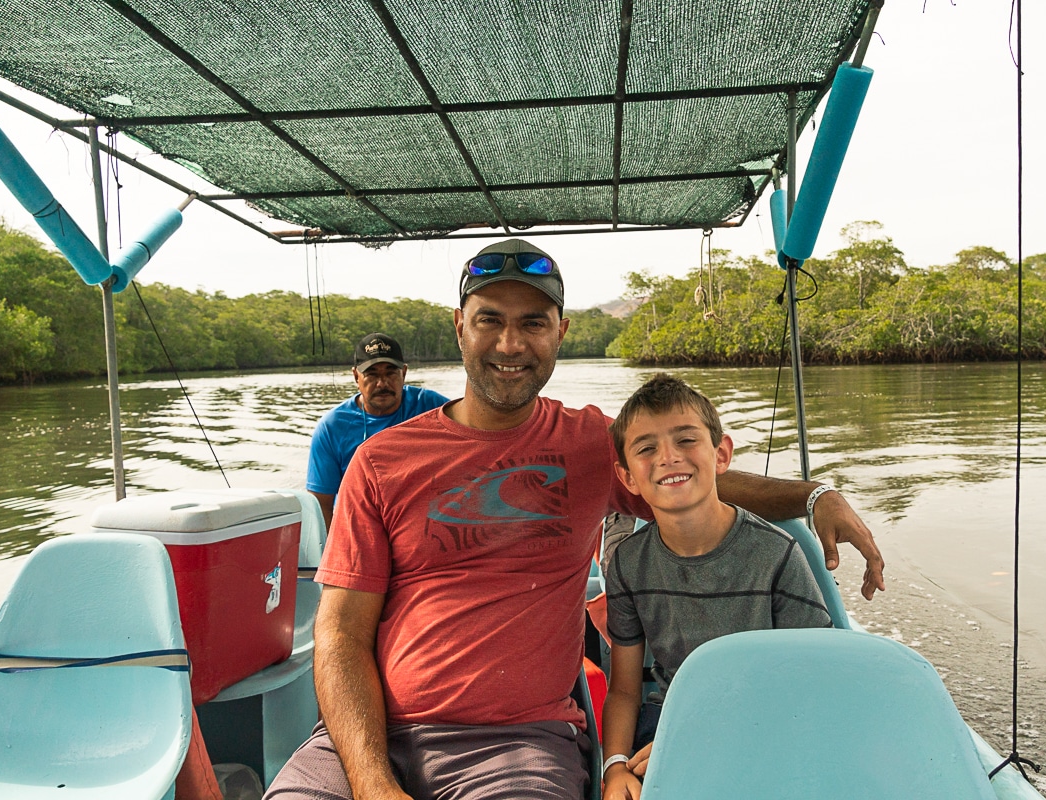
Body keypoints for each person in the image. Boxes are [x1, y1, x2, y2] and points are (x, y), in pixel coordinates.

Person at [267, 238, 885, 800]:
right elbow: (342, 635)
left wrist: (814, 496)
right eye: (490, 321)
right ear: (459, 328)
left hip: (517, 746)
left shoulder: (590, 443)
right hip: (367, 741)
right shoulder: (380, 459)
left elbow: (692, 478)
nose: (511, 344)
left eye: (533, 323)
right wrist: (372, 781)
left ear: (560, 333)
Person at [599, 375, 833, 800]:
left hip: (767, 723)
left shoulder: (776, 555)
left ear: (721, 453)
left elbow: (811, 684)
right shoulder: (628, 564)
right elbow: (625, 689)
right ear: (627, 476)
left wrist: (711, 739)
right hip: (668, 722)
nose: (668, 457)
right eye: (647, 448)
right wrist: (614, 766)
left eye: (686, 440)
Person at [305, 333, 447, 530]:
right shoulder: (332, 427)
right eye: (372, 374)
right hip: (361, 524)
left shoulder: (433, 407)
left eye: (390, 373)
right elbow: (321, 503)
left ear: (403, 373)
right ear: (356, 376)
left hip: (419, 521)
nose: (382, 384)